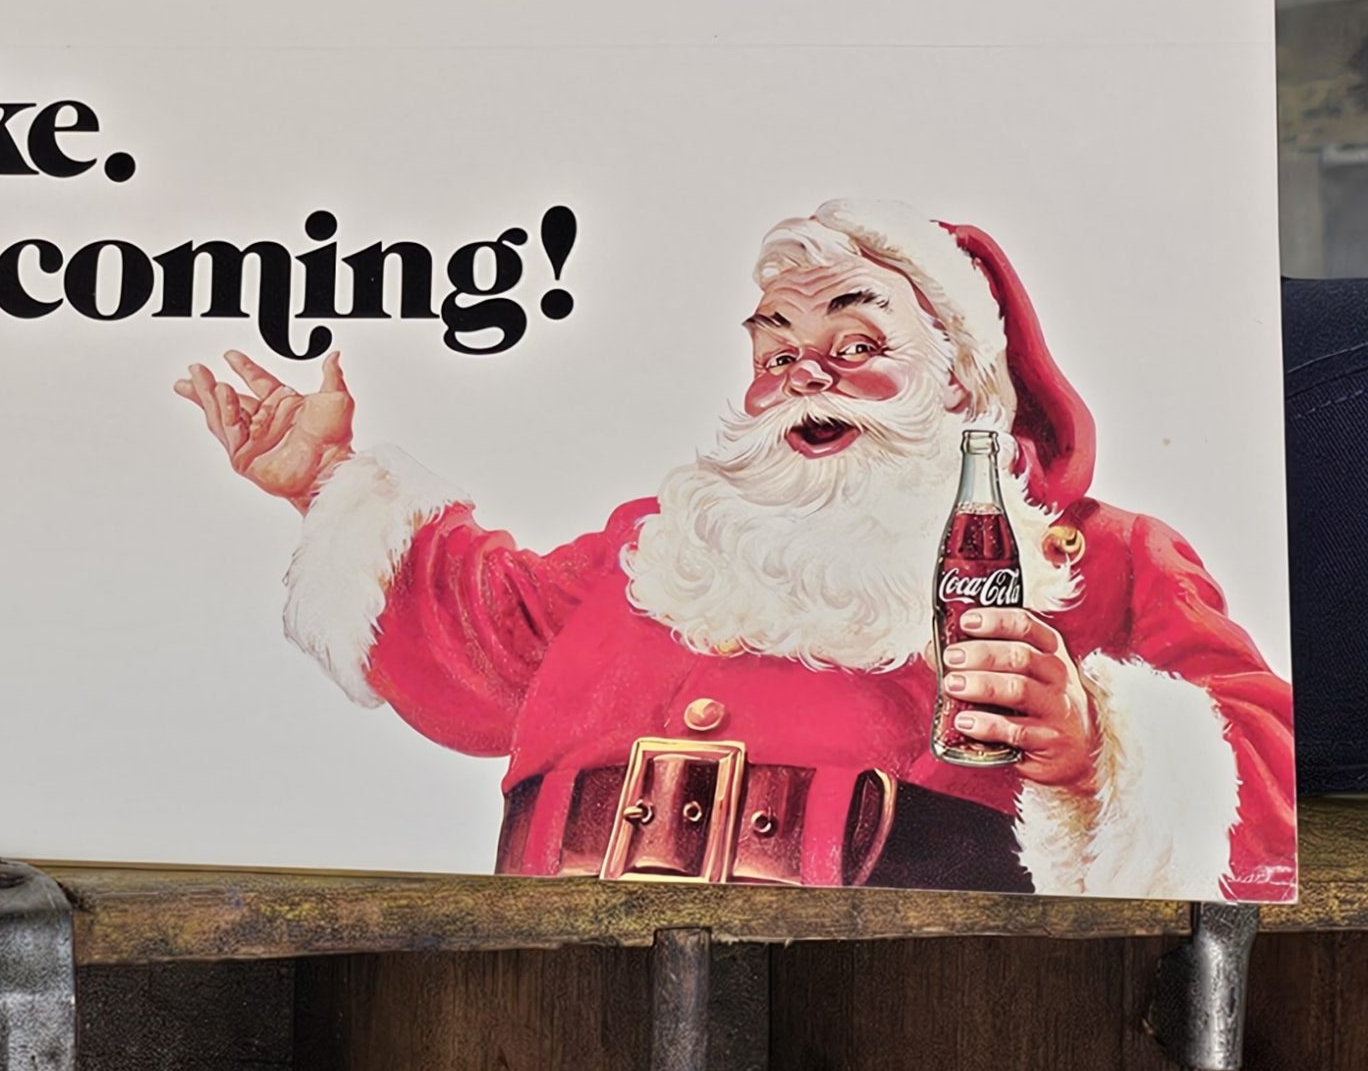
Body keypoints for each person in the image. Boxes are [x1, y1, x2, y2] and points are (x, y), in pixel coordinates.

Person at [175, 200, 1296, 898]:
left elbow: (1262, 773)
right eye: (777, 348)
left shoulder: (1099, 560)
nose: (805, 373)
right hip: (562, 1006)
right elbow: (486, 633)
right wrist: (325, 479)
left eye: (856, 342)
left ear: (962, 381)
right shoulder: (661, 544)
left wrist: (1100, 744)